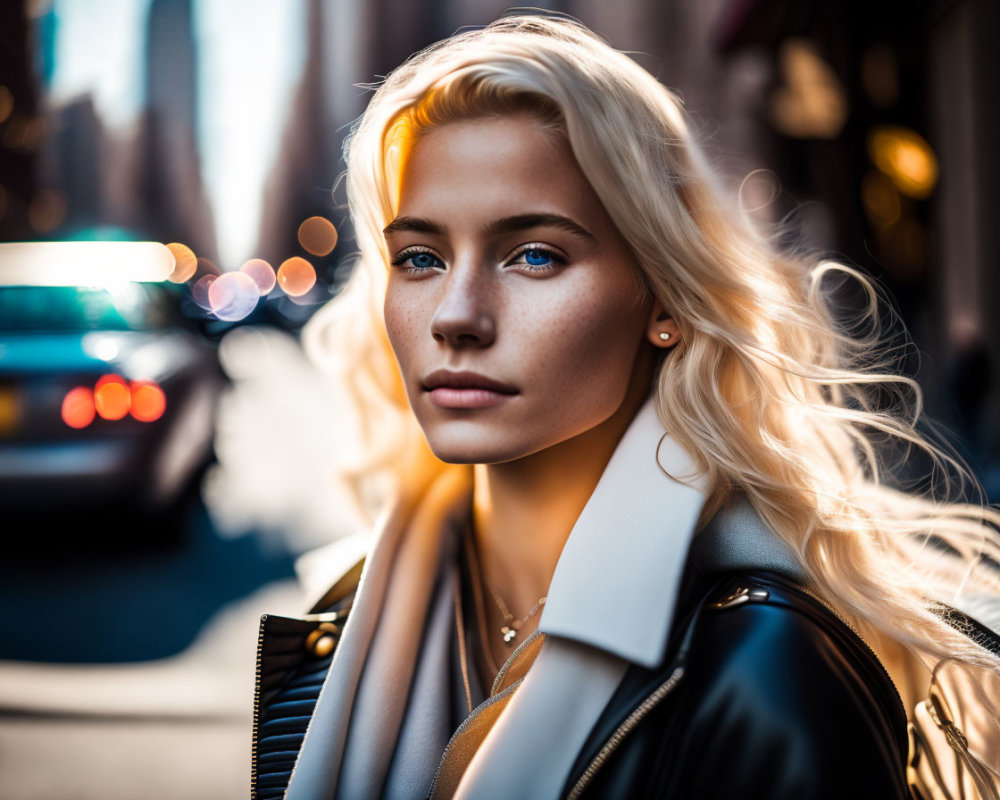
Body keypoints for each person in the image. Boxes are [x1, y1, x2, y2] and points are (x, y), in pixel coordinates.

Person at [252, 13, 1000, 800]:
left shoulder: (769, 673)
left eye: (534, 254)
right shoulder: (345, 613)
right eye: (421, 258)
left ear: (662, 298)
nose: (455, 315)